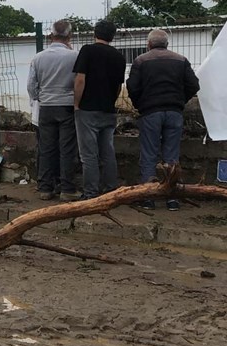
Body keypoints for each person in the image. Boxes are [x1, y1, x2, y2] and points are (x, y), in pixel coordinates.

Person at [126, 29, 200, 211]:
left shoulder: (140, 61)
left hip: (150, 112)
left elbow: (132, 87)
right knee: (171, 155)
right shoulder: (181, 60)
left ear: (149, 44)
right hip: (174, 112)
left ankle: (148, 197)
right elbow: (194, 85)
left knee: (149, 154)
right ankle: (172, 198)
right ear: (167, 44)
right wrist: (180, 101)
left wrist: (140, 104)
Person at [73, 19, 126, 200]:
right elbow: (118, 86)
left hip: (88, 110)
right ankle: (111, 190)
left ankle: (91, 193)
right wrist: (110, 101)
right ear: (112, 36)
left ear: (95, 33)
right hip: (108, 110)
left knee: (88, 155)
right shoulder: (119, 57)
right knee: (108, 152)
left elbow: (80, 79)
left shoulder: (87, 51)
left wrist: (77, 104)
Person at [27, 20, 79, 201]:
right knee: (67, 149)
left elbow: (31, 86)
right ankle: (67, 189)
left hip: (46, 107)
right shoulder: (75, 56)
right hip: (67, 106)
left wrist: (40, 97)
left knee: (46, 148)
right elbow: (80, 82)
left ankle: (45, 188)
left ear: (51, 36)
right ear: (69, 36)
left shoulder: (38, 58)